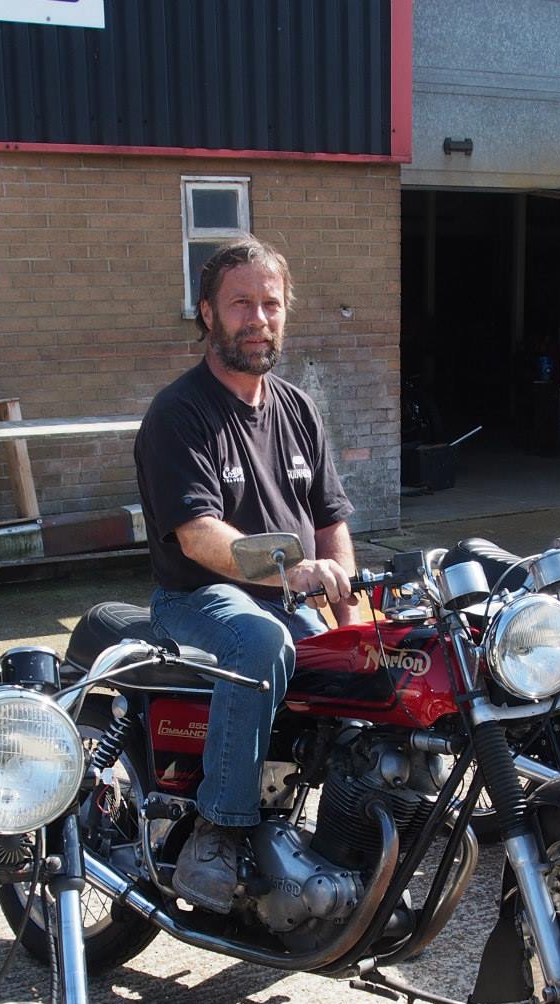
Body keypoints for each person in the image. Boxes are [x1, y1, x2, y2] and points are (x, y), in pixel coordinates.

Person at [133, 237, 359, 912]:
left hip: (287, 601)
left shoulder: (298, 408)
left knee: (384, 669)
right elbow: (199, 537)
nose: (257, 318)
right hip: (198, 599)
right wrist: (294, 572)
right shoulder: (179, 414)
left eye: (270, 303)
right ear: (207, 313)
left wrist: (352, 616)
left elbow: (330, 521)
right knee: (262, 640)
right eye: (240, 304)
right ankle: (218, 828)